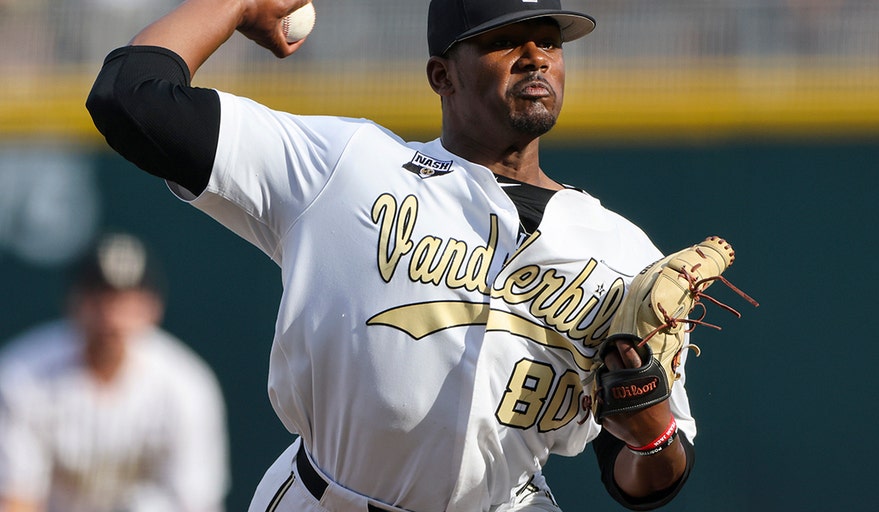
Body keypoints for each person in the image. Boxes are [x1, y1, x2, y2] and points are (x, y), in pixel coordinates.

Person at [85, 0, 697, 510]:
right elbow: (130, 95)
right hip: (329, 497)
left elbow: (646, 481)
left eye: (549, 41)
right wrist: (238, 3)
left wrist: (651, 438)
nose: (536, 56)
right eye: (505, 40)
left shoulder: (622, 251)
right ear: (442, 75)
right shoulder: (348, 166)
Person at [0, 232, 230, 512]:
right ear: (74, 303)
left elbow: (197, 501)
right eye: (100, 300)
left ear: (153, 308)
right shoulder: (23, 375)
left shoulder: (186, 383)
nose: (113, 318)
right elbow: (15, 499)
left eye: (127, 302)